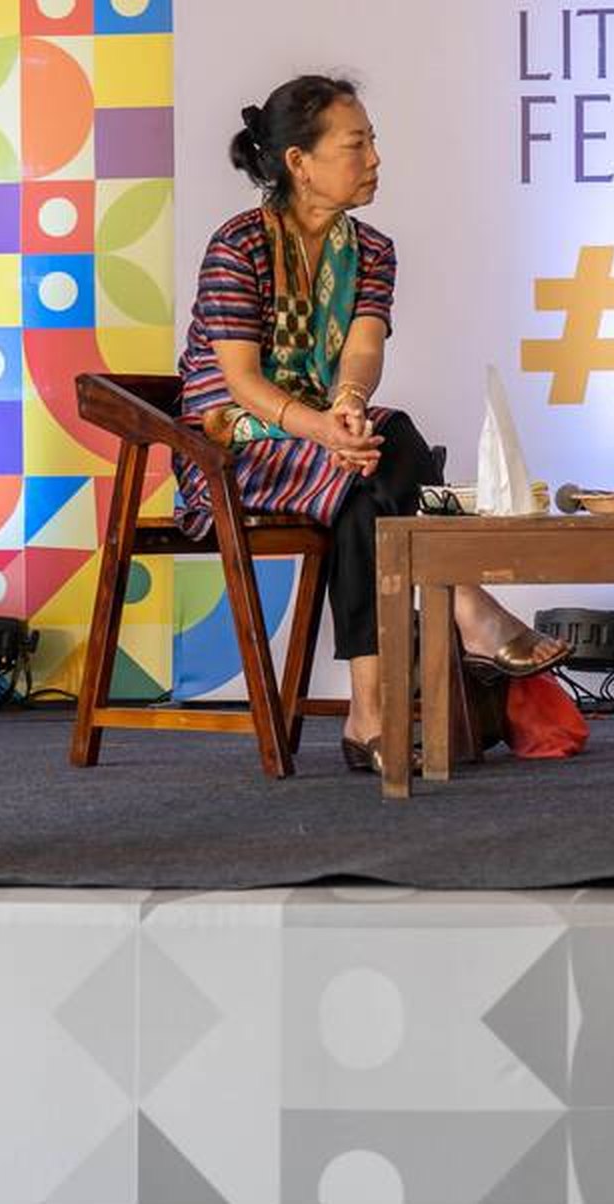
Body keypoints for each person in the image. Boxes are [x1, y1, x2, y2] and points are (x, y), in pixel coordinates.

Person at [175, 73, 568, 774]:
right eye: (356, 145)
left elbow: (362, 349)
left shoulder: (373, 250)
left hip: (324, 442)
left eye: (372, 142)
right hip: (235, 445)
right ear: (299, 162)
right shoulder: (239, 246)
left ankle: (369, 718)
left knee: (372, 471)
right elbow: (241, 381)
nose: (375, 158)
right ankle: (469, 604)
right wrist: (324, 429)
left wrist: (349, 403)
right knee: (368, 466)